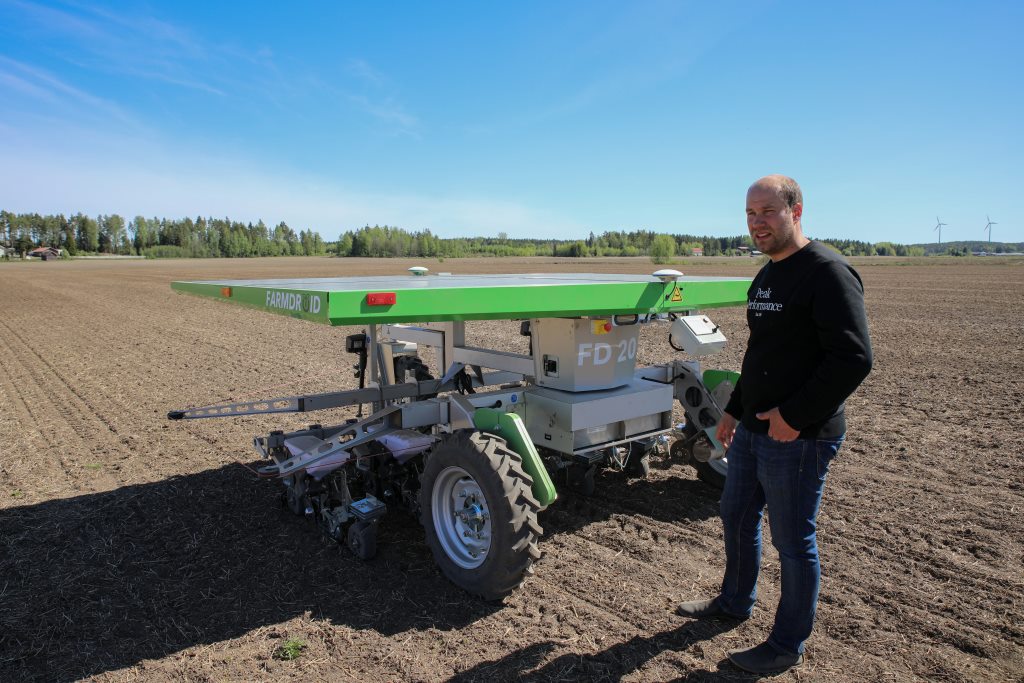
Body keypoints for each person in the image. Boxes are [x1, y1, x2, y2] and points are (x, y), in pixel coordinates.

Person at [677, 175, 873, 674]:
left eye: (767, 211)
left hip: (799, 436)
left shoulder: (827, 272)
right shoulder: (765, 277)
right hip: (755, 430)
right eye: (750, 214)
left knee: (793, 541)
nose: (757, 223)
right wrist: (735, 410)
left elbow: (852, 359)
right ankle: (734, 602)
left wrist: (793, 417)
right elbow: (761, 354)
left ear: (796, 211)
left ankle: (786, 644)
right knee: (736, 515)